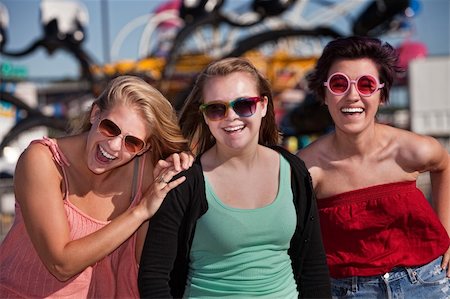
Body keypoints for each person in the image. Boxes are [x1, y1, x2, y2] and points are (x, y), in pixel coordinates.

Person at [138, 57, 331, 298]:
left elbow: (313, 268)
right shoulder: (186, 182)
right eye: (217, 108)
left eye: (243, 105)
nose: (231, 117)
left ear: (262, 106)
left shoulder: (293, 171)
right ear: (205, 116)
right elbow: (154, 278)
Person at [0, 75, 194, 298]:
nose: (113, 146)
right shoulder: (43, 161)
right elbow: (61, 265)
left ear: (143, 148)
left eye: (131, 142)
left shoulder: (144, 170)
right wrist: (139, 212)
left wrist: (183, 163)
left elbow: (141, 263)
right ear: (95, 114)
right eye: (110, 127)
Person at [297, 36, 450, 298]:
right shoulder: (307, 170)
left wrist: (448, 234)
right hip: (347, 291)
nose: (352, 95)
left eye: (366, 85)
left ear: (382, 95)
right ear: (323, 94)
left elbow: (443, 165)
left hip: (426, 284)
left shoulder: (412, 150)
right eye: (338, 84)